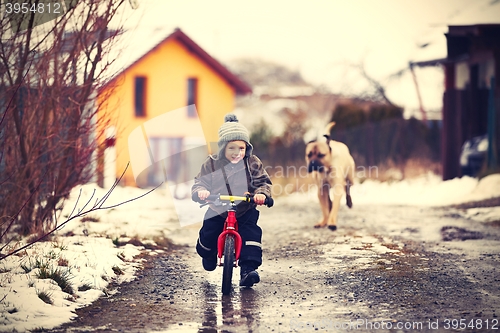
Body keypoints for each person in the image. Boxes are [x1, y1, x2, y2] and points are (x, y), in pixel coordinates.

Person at [191, 113, 272, 287]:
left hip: (245, 208)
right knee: (209, 230)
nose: (237, 153)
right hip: (217, 206)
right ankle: (208, 253)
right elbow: (201, 181)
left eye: (241, 149)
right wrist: (202, 191)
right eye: (232, 148)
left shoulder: (252, 163)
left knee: (251, 234)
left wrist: (262, 195)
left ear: (247, 149)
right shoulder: (212, 164)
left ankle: (247, 270)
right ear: (222, 149)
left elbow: (262, 182)